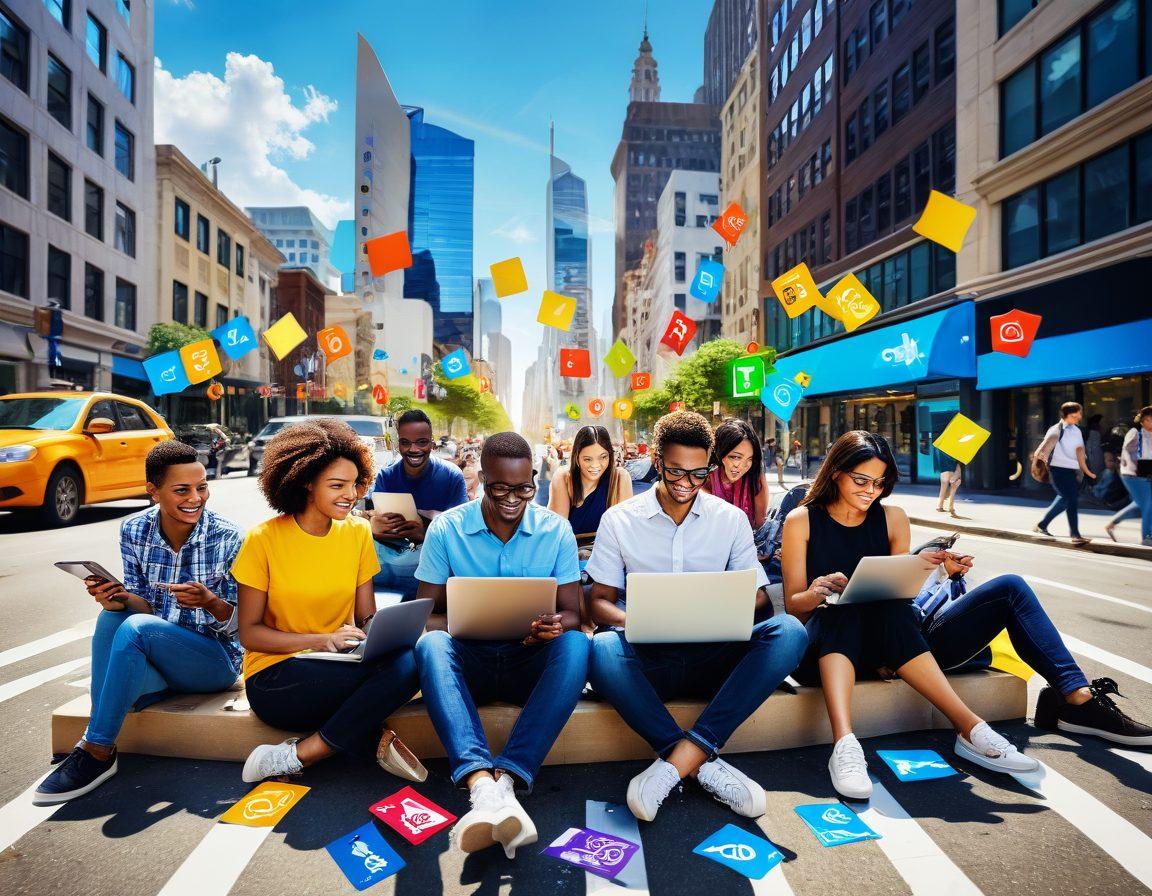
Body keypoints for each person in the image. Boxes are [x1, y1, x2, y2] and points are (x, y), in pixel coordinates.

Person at [781, 430, 1038, 801]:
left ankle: (970, 728)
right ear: (836, 471)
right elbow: (793, 605)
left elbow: (900, 595)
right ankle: (845, 746)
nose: (871, 491)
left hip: (884, 648)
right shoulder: (801, 520)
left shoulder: (894, 518)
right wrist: (819, 590)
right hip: (823, 652)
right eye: (861, 480)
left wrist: (929, 569)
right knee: (843, 609)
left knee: (892, 608)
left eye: (880, 483)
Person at [586, 411, 808, 823]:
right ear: (656, 460)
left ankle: (676, 762)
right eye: (675, 472)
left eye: (698, 473)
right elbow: (597, 601)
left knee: (789, 631)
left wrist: (724, 605)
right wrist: (634, 621)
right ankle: (699, 761)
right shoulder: (619, 519)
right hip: (649, 657)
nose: (686, 483)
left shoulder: (731, 519)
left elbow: (759, 599)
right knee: (599, 648)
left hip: (713, 656)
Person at [35, 442, 245, 806]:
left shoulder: (229, 536)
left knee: (137, 627)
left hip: (215, 661)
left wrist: (211, 602)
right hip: (160, 657)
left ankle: (97, 748)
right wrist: (116, 597)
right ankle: (99, 736)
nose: (196, 498)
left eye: (202, 487)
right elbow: (143, 604)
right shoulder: (134, 530)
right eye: (182, 490)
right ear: (153, 490)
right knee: (113, 616)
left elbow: (245, 625)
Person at [413, 432, 589, 859]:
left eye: (524, 487)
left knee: (578, 646)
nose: (514, 498)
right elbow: (422, 615)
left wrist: (553, 625)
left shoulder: (556, 529)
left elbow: (575, 614)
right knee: (432, 644)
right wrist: (463, 621)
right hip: (468, 662)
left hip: (528, 660)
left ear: (534, 480)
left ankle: (507, 778)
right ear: (480, 480)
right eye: (500, 488)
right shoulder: (447, 528)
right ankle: (481, 786)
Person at [235, 419, 424, 784]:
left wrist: (381, 633)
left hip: (338, 663)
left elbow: (366, 615)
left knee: (412, 661)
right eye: (337, 485)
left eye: (355, 484)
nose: (350, 495)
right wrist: (322, 640)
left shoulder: (356, 532)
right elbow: (250, 634)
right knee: (396, 680)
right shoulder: (263, 539)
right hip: (276, 677)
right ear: (305, 483)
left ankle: (301, 754)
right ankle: (370, 738)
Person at [915, 555, 1151, 745]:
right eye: (876, 489)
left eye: (882, 490)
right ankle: (1075, 699)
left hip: (919, 625)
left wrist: (940, 572)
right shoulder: (888, 518)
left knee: (1011, 587)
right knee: (1010, 586)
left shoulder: (889, 518)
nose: (875, 492)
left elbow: (901, 585)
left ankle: (1075, 695)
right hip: (903, 640)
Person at [369, 409, 469, 600]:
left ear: (432, 443)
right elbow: (376, 524)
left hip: (432, 561)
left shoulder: (451, 475)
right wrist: (375, 527)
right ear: (399, 444)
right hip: (390, 558)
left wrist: (425, 533)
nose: (413, 449)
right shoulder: (386, 475)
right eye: (406, 443)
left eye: (421, 442)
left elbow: (460, 533)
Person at [548, 424, 633, 549]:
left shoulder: (620, 478)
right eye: (587, 459)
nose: (595, 465)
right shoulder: (564, 477)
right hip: (569, 553)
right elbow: (557, 533)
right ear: (576, 458)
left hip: (609, 554)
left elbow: (624, 531)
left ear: (610, 456)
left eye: (603, 457)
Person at [704, 418, 772, 558]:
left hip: (747, 551)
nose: (741, 466)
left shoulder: (755, 479)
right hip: (710, 553)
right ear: (720, 453)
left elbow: (760, 524)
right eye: (735, 457)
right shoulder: (705, 480)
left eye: (749, 459)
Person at [1034, 402, 1096, 544]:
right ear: (1066, 415)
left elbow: (1080, 450)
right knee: (1071, 499)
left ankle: (1042, 525)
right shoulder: (1056, 430)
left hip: (1071, 471)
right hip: (1057, 471)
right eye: (1076, 414)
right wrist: (1042, 467)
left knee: (1064, 500)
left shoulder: (1076, 430)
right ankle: (1075, 535)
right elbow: (1041, 451)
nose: (1079, 416)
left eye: (1080, 413)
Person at [1109, 406, 1152, 547]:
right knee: (1148, 505)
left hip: (1145, 473)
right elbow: (1129, 451)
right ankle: (1147, 537)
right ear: (1142, 421)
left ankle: (1112, 524)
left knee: (1140, 503)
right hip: (1132, 474)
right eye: (1149, 420)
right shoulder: (1135, 433)